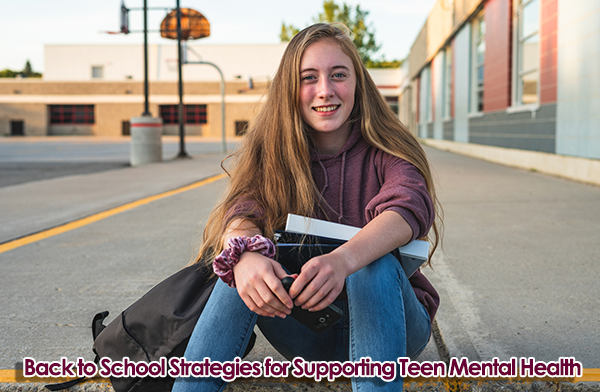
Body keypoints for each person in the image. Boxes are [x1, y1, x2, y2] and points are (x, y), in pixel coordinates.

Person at [172, 23, 441, 392]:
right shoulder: (276, 153)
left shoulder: (387, 148)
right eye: (308, 78)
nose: (325, 90)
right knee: (243, 263)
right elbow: (242, 211)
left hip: (393, 326)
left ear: (358, 83)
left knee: (372, 264)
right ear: (290, 89)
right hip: (308, 332)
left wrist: (343, 261)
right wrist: (246, 254)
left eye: (339, 75)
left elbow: (408, 205)